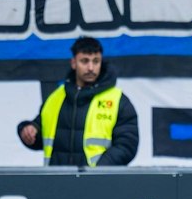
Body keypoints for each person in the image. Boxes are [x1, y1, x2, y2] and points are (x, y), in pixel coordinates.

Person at [17, 37, 140, 166]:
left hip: (98, 183)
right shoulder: (56, 97)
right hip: (58, 182)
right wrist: (28, 130)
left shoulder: (118, 100)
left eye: (96, 61)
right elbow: (41, 133)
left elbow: (127, 145)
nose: (91, 67)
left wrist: (99, 170)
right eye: (85, 61)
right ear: (73, 63)